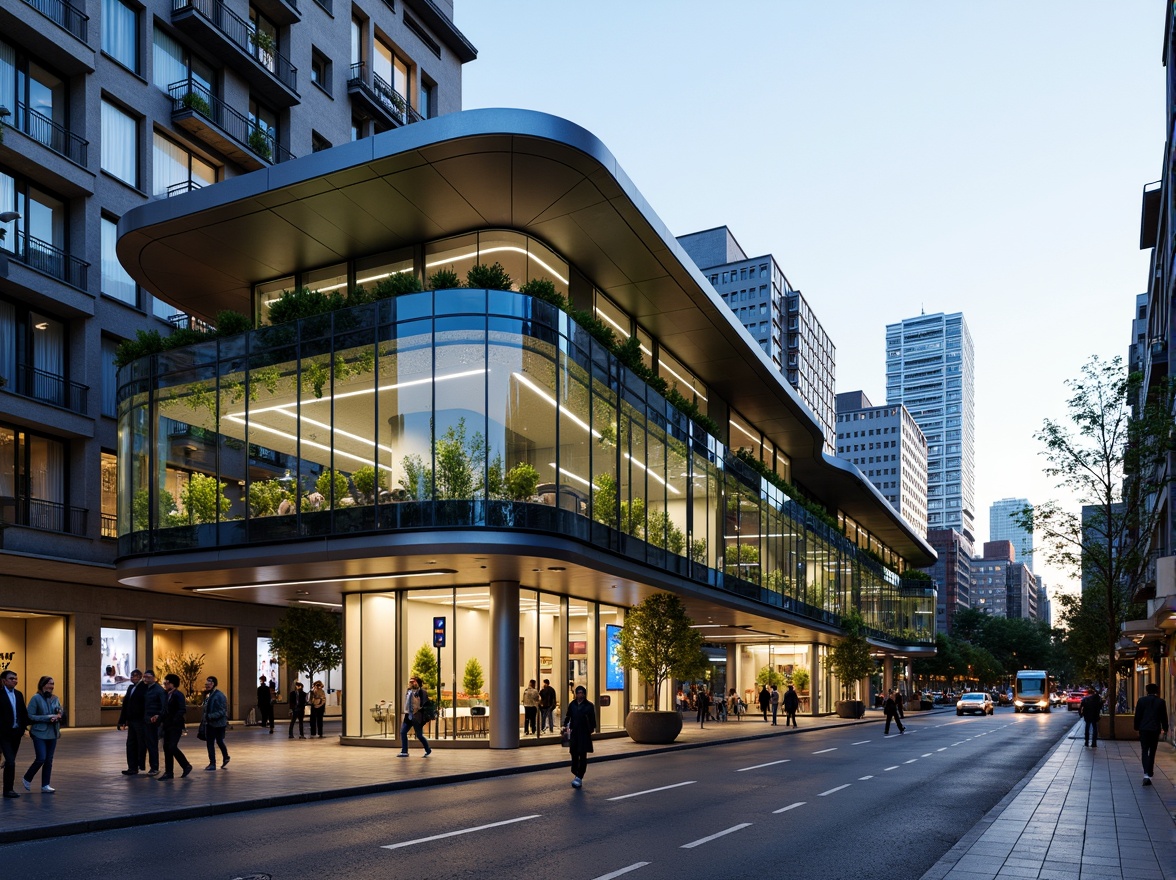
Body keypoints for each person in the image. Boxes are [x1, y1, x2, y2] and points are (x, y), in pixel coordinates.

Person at [22, 676, 62, 793]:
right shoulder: (36, 698)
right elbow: (30, 716)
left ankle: (45, 785)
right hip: (39, 732)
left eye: (53, 684)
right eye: (49, 683)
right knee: (41, 758)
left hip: (52, 733)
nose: (51, 686)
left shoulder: (55, 698)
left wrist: (59, 714)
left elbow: (59, 709)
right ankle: (27, 778)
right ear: (42, 684)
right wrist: (48, 718)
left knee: (49, 760)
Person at [157, 673, 192, 780]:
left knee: (171, 746)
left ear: (172, 683)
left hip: (175, 725)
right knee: (166, 747)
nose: (165, 685)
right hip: (167, 725)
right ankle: (169, 772)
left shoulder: (178, 695)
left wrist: (174, 719)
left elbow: (182, 709)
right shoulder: (166, 695)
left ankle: (186, 765)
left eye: (166, 683)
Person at [0, 671, 30, 798]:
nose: (15, 680)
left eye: (16, 678)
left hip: (16, 734)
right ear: (4, 681)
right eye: (11, 678)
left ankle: (8, 788)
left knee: (10, 760)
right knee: (11, 762)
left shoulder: (18, 695)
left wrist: (24, 728)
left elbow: (23, 713)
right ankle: (8, 790)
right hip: (3, 734)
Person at [1134, 682, 1169, 786]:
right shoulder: (1161, 702)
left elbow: (1138, 715)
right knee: (1152, 751)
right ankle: (1150, 773)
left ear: (1147, 690)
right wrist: (1165, 728)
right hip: (1155, 729)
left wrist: (1136, 727)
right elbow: (1164, 717)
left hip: (1144, 729)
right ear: (1157, 691)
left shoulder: (1141, 701)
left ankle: (1145, 774)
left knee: (1144, 750)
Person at [563, 685, 596, 789]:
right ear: (576, 694)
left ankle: (579, 777)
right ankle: (575, 771)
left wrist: (589, 729)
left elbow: (592, 721)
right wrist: (566, 727)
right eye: (578, 693)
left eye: (582, 693)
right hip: (574, 733)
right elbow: (568, 717)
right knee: (573, 753)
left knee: (582, 755)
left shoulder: (589, 706)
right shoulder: (572, 704)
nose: (580, 695)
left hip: (584, 734)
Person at [117, 668, 146, 775]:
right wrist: (122, 720)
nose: (133, 678)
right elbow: (126, 705)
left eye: (136, 676)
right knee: (130, 744)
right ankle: (132, 767)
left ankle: (139, 764)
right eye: (132, 676)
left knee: (140, 743)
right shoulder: (130, 688)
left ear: (140, 677)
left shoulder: (144, 688)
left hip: (140, 720)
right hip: (131, 720)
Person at [397, 676, 431, 757]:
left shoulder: (422, 692)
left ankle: (428, 749)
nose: (411, 683)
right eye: (410, 682)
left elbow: (424, 704)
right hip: (408, 715)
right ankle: (404, 751)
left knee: (419, 735)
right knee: (403, 732)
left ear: (418, 683)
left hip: (417, 716)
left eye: (413, 682)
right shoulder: (409, 691)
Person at [201, 676, 230, 770]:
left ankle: (214, 763)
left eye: (208, 684)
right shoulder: (209, 695)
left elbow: (223, 711)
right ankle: (223, 758)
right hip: (211, 723)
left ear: (213, 684)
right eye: (206, 684)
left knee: (215, 742)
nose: (206, 686)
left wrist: (210, 716)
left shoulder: (219, 696)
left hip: (217, 724)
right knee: (215, 741)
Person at [142, 669, 166, 775]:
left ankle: (154, 767)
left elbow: (163, 706)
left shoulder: (158, 690)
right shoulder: (145, 688)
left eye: (148, 677)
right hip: (145, 720)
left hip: (153, 721)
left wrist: (158, 716)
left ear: (153, 678)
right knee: (147, 743)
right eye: (144, 677)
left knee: (152, 744)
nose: (146, 679)